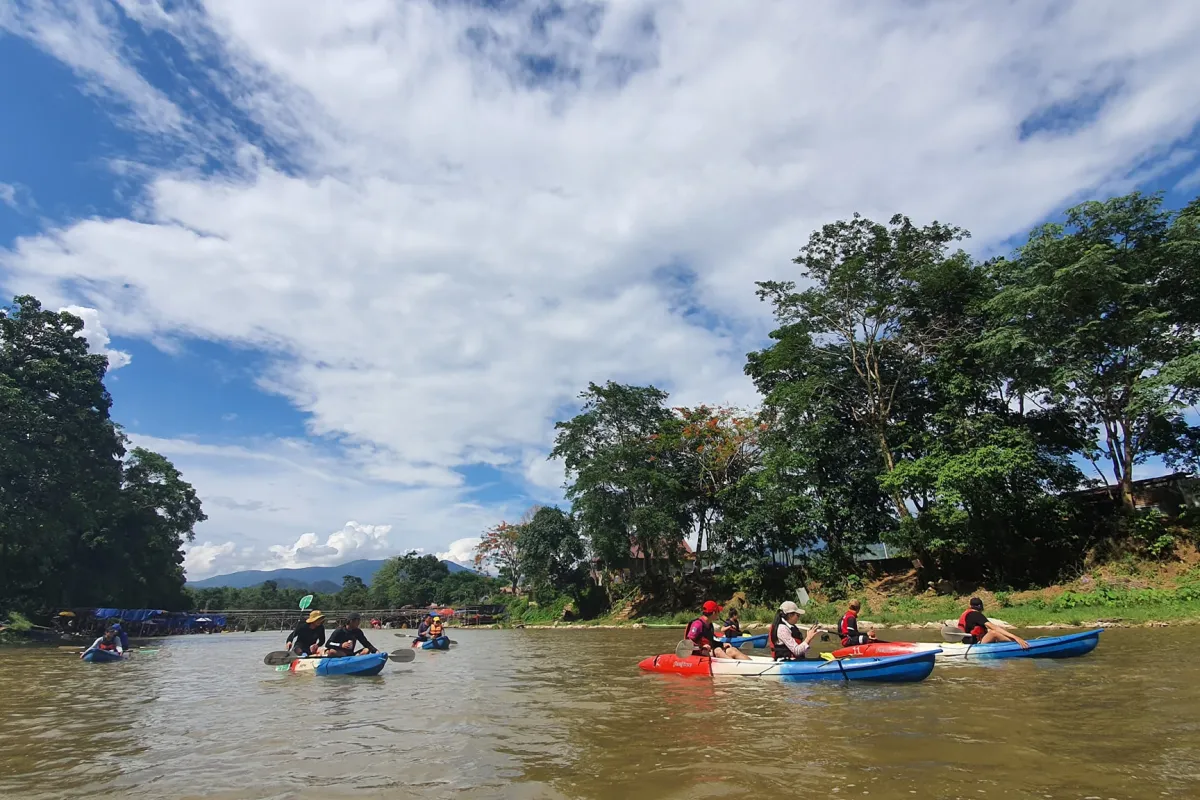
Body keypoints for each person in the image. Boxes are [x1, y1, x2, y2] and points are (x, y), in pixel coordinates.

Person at [957, 597, 1029, 648]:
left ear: (970, 606)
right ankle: (1017, 643)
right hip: (974, 644)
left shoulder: (967, 613)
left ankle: (1013, 642)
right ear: (981, 607)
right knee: (993, 633)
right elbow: (993, 627)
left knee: (995, 631)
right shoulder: (977, 615)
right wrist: (1016, 637)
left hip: (969, 641)